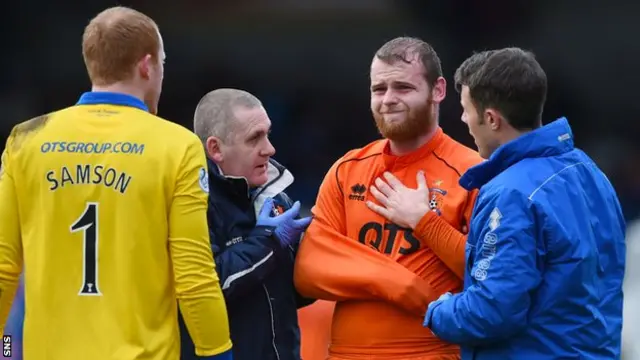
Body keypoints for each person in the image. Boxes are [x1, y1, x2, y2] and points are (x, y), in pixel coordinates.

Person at [0, 7, 233, 360]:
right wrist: (216, 352)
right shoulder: (177, 146)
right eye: (162, 64)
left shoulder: (26, 140)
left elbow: (4, 266)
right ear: (146, 65)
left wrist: (4, 350)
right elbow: (194, 274)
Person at [421, 48, 626, 359]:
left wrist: (438, 310)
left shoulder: (510, 193)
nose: (463, 119)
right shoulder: (590, 172)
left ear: (491, 119)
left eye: (465, 109)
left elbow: (490, 311)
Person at [294, 36, 482, 359]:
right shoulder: (346, 170)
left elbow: (493, 274)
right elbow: (309, 270)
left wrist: (425, 223)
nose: (388, 100)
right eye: (378, 90)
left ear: (438, 90)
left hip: (431, 351)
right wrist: (396, 283)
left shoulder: (473, 172)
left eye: (403, 88)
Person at [182, 88, 314, 360]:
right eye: (255, 138)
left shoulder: (278, 196)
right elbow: (207, 287)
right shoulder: (191, 204)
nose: (270, 148)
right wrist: (268, 242)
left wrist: (314, 263)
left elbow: (293, 295)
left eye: (268, 133)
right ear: (215, 149)